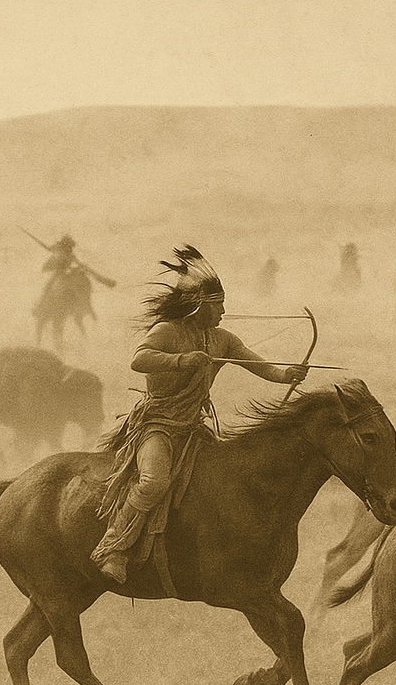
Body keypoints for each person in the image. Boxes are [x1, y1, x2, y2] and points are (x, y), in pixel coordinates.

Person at [89, 245, 309, 583]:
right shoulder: (168, 331)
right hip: (157, 427)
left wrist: (285, 375)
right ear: (197, 306)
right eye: (217, 305)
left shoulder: (222, 339)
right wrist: (182, 360)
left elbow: (254, 362)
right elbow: (139, 359)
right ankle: (113, 547)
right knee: (153, 482)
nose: (223, 311)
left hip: (193, 429)